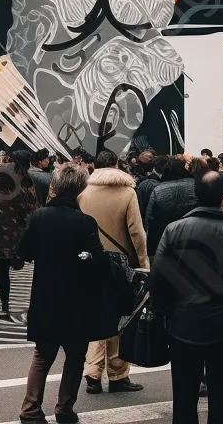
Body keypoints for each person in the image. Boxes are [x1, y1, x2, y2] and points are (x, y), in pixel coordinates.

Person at [151, 171, 223, 424]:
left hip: (182, 324)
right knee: (221, 397)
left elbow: (158, 279)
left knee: (184, 396)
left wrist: (168, 310)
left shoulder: (173, 230)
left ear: (196, 196)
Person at [17, 163, 114, 424]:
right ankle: (64, 409)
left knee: (42, 355)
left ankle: (30, 409)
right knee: (74, 356)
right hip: (77, 300)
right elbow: (99, 262)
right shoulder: (85, 222)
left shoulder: (38, 217)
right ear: (81, 189)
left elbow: (23, 252)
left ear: (55, 186)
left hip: (45, 297)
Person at [77, 150, 148, 395]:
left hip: (90, 262)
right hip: (120, 264)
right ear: (117, 165)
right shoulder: (128, 192)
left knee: (95, 315)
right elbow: (136, 232)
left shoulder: (83, 192)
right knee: (120, 317)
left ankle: (92, 373)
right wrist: (143, 263)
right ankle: (117, 374)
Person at [0, 151, 38, 323]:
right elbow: (32, 207)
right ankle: (6, 307)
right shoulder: (26, 179)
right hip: (16, 231)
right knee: (7, 270)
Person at [145, 156, 200, 256]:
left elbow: (149, 218)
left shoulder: (159, 190)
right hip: (193, 240)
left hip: (164, 241)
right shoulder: (197, 186)